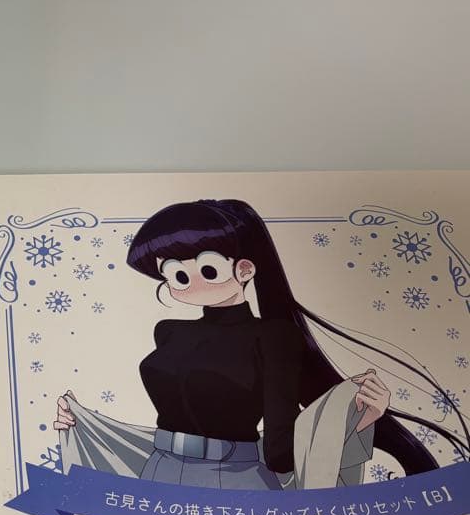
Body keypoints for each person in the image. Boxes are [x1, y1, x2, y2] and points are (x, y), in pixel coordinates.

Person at [53, 199, 467, 489]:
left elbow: (281, 443)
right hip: (159, 467)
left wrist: (353, 421)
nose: (190, 282)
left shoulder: (273, 336)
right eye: (176, 274)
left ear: (245, 268)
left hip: (234, 477)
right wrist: (82, 424)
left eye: (207, 269)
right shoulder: (169, 331)